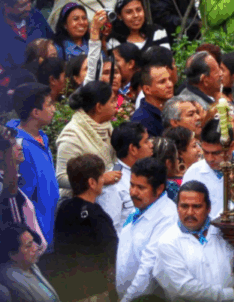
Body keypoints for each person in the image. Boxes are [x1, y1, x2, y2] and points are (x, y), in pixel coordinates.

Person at [153, 181, 234, 301]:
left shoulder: (223, 233)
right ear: (177, 207)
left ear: (208, 208)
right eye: (184, 206)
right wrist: (231, 293)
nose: (189, 212)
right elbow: (184, 288)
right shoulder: (168, 242)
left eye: (196, 206)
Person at [49, 153, 118, 301]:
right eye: (101, 177)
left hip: (67, 289)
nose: (103, 180)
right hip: (94, 291)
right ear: (92, 183)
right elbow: (111, 251)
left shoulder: (63, 208)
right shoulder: (97, 215)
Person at [116, 157, 178, 302]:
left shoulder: (167, 217)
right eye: (131, 185)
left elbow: (148, 269)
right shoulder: (137, 210)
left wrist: (127, 299)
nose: (133, 192)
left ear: (160, 189)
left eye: (141, 188)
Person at [5, 84, 58, 248]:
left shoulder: (41, 137)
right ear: (35, 112)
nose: (54, 109)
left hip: (49, 229)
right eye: (49, 105)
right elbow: (23, 198)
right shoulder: (20, 149)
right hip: (37, 238)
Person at [55, 81, 118, 198]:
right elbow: (61, 178)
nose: (116, 104)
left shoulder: (107, 126)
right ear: (99, 107)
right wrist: (100, 179)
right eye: (112, 101)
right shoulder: (72, 136)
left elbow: (115, 163)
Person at [97, 122, 154, 233]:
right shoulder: (113, 183)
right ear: (133, 149)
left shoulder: (145, 172)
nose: (151, 145)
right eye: (146, 142)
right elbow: (110, 230)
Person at [182, 118, 234, 219]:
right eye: (205, 152)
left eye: (216, 153)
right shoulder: (193, 173)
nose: (210, 159)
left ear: (231, 146)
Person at [0, 223, 58, 302]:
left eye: (33, 241)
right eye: (29, 245)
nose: (37, 246)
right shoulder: (11, 282)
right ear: (13, 255)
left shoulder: (30, 266)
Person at [0, 0, 52, 69]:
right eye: (23, 5)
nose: (29, 8)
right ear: (8, 8)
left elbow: (53, 40)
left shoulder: (36, 16)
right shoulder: (2, 29)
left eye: (29, 2)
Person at [132, 62, 175, 137]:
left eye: (169, 79)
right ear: (147, 89)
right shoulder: (141, 121)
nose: (170, 85)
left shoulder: (172, 109)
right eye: (162, 82)